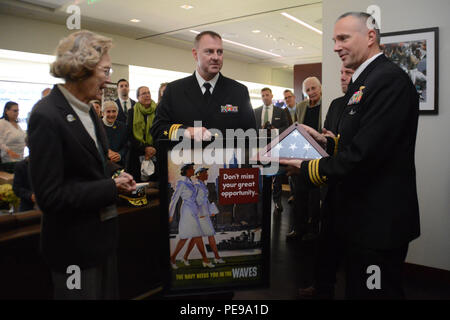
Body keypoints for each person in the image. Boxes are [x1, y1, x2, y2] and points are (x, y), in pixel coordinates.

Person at [282, 12, 420, 299]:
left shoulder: (388, 80)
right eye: (334, 40)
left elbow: (365, 156)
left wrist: (308, 167)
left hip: (378, 225)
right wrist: (325, 143)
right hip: (357, 219)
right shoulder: (363, 83)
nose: (335, 47)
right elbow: (357, 144)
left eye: (343, 38)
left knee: (375, 294)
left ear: (370, 36)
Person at [28, 30, 136, 300]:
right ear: (80, 69)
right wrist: (112, 188)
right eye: (105, 71)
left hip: (102, 242)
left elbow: (93, 163)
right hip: (73, 251)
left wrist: (119, 173)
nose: (108, 80)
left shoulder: (89, 110)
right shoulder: (46, 115)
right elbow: (50, 196)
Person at [299, 65, 355, 299]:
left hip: (358, 188)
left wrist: (334, 143)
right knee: (326, 244)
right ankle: (321, 287)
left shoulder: (370, 105)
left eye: (348, 73)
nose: (343, 77)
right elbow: (328, 145)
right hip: (334, 185)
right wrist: (323, 140)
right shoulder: (336, 105)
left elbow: (357, 150)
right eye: (340, 73)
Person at [150, 30, 256, 142]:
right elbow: (157, 130)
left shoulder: (238, 91)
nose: (216, 57)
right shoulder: (174, 90)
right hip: (186, 158)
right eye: (209, 52)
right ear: (195, 54)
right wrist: (185, 132)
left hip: (225, 158)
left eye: (219, 52)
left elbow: (251, 135)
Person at [169, 164, 215, 269]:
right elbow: (174, 198)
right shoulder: (181, 182)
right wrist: (170, 214)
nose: (193, 170)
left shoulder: (190, 182)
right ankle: (205, 260)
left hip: (193, 211)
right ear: (187, 171)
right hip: (187, 211)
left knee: (185, 238)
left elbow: (198, 199)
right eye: (192, 169)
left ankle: (173, 258)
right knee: (197, 235)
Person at [254, 87, 289, 215]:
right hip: (260, 147)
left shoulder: (280, 111)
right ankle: (260, 201)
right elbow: (251, 128)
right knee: (260, 174)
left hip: (275, 146)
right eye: (262, 95)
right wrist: (261, 130)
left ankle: (277, 201)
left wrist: (274, 130)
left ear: (272, 96)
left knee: (277, 175)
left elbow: (286, 127)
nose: (265, 97)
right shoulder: (256, 111)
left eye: (267, 95)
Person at [183, 167, 225, 265]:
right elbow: (193, 201)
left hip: (204, 214)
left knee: (195, 238)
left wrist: (211, 210)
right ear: (198, 174)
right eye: (205, 173)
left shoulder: (202, 185)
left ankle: (185, 258)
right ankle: (213, 258)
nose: (207, 174)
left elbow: (204, 200)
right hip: (200, 216)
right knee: (209, 234)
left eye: (207, 173)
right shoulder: (196, 185)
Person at [126, 86, 157, 183]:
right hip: (136, 153)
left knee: (154, 186)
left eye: (148, 93)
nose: (147, 95)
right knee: (138, 186)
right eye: (144, 93)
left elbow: (160, 131)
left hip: (155, 152)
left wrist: (153, 148)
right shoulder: (132, 112)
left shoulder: (158, 111)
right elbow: (129, 134)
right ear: (138, 97)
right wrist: (144, 148)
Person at [102, 100, 128, 167]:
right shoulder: (97, 126)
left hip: (118, 164)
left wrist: (119, 155)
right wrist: (106, 152)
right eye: (108, 111)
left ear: (117, 112)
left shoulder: (123, 126)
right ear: (102, 113)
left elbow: (126, 145)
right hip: (102, 165)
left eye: (114, 111)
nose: (111, 114)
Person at [0, 102, 26, 166]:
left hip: (20, 158)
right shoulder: (2, 123)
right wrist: (9, 151)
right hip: (8, 161)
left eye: (18, 111)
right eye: (15, 111)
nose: (17, 113)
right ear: (6, 111)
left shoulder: (16, 124)